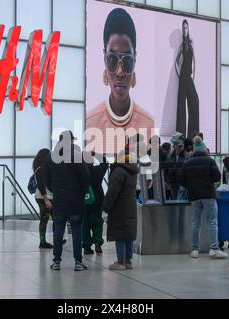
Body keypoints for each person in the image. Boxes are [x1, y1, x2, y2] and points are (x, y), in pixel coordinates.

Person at [86, 8, 154, 153]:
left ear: (135, 58)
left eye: (127, 61)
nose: (120, 72)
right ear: (104, 57)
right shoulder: (88, 123)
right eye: (112, 59)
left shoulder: (149, 124)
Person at [43, 131, 90, 271]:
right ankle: (78, 262)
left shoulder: (50, 157)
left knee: (58, 230)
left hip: (59, 200)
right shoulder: (76, 156)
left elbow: (45, 177)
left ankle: (56, 261)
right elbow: (85, 176)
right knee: (76, 230)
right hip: (75, 199)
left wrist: (55, 189)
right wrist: (84, 191)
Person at [177, 136, 227, 258]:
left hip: (194, 195)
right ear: (204, 149)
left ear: (194, 150)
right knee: (212, 222)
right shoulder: (209, 161)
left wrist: (190, 186)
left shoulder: (187, 163)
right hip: (208, 195)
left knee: (195, 223)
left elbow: (181, 180)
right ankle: (214, 248)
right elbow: (217, 177)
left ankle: (194, 250)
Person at [103, 150, 139, 271]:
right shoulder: (132, 170)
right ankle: (128, 261)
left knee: (120, 234)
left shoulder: (119, 171)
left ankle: (120, 262)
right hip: (131, 206)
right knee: (128, 234)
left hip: (120, 207)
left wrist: (106, 207)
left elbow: (112, 192)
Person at [176, 19, 199, 139]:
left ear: (188, 29)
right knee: (181, 105)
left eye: (187, 28)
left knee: (195, 100)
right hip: (182, 77)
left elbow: (194, 61)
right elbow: (176, 62)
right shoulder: (182, 45)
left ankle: (193, 134)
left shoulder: (191, 43)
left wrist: (193, 76)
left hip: (189, 77)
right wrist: (179, 75)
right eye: (184, 27)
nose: (185, 30)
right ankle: (181, 135)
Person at [82, 152, 109, 255]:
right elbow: (105, 162)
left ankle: (87, 246)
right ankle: (98, 242)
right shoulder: (99, 170)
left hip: (84, 200)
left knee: (85, 224)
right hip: (97, 200)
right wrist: (96, 154)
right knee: (97, 222)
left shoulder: (82, 170)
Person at [34, 148, 55, 249]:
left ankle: (57, 238)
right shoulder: (40, 169)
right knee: (44, 219)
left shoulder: (42, 168)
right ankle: (42, 242)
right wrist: (46, 200)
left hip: (46, 197)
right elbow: (41, 185)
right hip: (43, 197)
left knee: (54, 218)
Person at [167, 132, 189, 200]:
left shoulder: (186, 155)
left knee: (180, 199)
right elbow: (168, 168)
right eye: (179, 146)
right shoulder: (170, 156)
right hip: (173, 182)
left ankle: (180, 211)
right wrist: (167, 180)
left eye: (181, 146)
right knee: (174, 199)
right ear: (175, 146)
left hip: (182, 182)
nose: (180, 148)